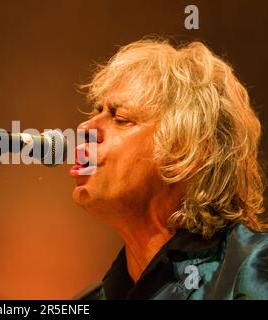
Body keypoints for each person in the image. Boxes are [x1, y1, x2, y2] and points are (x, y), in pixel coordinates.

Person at [71, 38, 268, 300]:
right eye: (97, 111)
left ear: (186, 150)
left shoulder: (253, 270)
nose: (84, 128)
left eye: (120, 119)